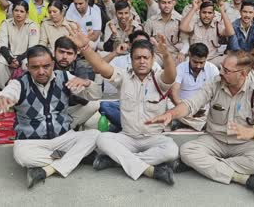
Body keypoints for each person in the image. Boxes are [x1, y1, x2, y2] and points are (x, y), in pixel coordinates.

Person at [146, 51, 254, 198]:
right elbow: (191, 104)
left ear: (243, 74)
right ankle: (243, 178)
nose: (221, 72)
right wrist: (170, 114)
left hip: (242, 143)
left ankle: (203, 165)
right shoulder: (215, 83)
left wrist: (253, 133)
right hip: (215, 140)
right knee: (187, 151)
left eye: (226, 71)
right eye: (221, 67)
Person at [68, 29, 179, 185]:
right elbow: (100, 65)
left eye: (146, 58)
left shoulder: (160, 78)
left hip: (153, 138)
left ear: (152, 59)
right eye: (137, 58)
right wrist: (85, 47)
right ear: (131, 60)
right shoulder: (123, 76)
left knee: (172, 150)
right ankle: (151, 169)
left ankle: (116, 161)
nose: (142, 61)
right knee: (102, 139)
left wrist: (167, 55)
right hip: (127, 137)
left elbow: (172, 75)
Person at [0, 45, 101, 189]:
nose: (41, 72)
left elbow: (96, 95)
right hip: (32, 142)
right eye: (35, 67)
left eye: (46, 66)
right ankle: (78, 156)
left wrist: (87, 83)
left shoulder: (64, 77)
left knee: (95, 135)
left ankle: (47, 169)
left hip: (63, 137)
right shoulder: (19, 84)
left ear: (53, 64)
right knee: (23, 156)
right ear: (28, 67)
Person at [169, 43, 219, 131]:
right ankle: (197, 124)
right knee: (168, 106)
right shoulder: (181, 68)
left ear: (206, 58)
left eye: (201, 62)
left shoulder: (213, 69)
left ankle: (184, 123)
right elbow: (174, 91)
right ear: (190, 56)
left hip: (203, 109)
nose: (198, 66)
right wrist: (184, 109)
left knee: (214, 113)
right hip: (182, 106)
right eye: (195, 62)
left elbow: (217, 93)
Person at [53, 37, 100, 130]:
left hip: (71, 108)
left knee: (95, 105)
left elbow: (83, 99)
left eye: (69, 53)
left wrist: (69, 92)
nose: (65, 57)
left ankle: (67, 127)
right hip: (49, 108)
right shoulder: (47, 65)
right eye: (61, 52)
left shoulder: (80, 67)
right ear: (54, 52)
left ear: (75, 56)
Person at [0, 1, 39, 89]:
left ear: (27, 14)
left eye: (22, 11)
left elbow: (33, 47)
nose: (18, 13)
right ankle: (2, 90)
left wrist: (19, 59)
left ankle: (25, 90)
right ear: (12, 12)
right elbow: (2, 45)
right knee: (1, 63)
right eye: (16, 10)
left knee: (26, 64)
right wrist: (10, 59)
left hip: (26, 55)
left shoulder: (32, 25)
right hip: (9, 54)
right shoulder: (6, 23)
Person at [180, 1, 235, 66]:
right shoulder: (194, 23)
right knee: (182, 62)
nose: (206, 15)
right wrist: (194, 8)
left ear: (214, 14)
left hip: (212, 59)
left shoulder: (217, 24)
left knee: (229, 60)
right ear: (199, 13)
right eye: (204, 12)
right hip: (195, 59)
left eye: (210, 13)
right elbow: (183, 27)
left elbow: (231, 32)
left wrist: (222, 11)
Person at [144, 0, 186, 65]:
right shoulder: (151, 21)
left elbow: (186, 41)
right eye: (163, 3)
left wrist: (182, 52)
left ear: (173, 4)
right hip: (157, 55)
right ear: (159, 5)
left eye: (169, 3)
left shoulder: (180, 21)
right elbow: (144, 41)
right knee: (151, 64)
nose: (166, 5)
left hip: (175, 54)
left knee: (184, 66)